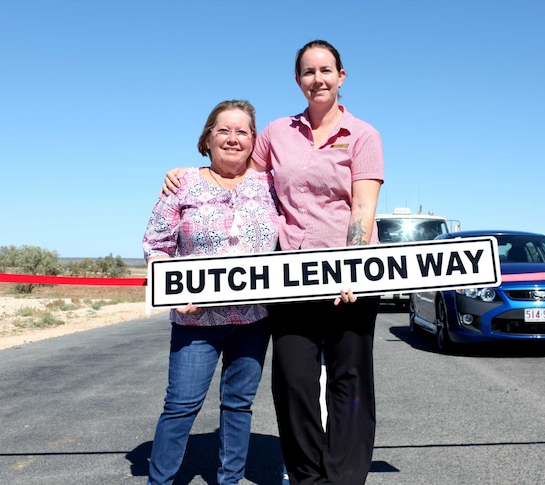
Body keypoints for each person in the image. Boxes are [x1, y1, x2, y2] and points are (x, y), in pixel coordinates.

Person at [162, 40, 384, 485]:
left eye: (325, 70)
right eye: (307, 72)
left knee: (349, 380)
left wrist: (353, 267)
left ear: (342, 76)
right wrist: (188, 173)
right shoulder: (278, 132)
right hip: (289, 278)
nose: (317, 79)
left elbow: (362, 209)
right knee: (293, 382)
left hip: (348, 277)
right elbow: (239, 170)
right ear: (298, 80)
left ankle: (344, 477)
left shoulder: (363, 135)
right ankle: (307, 476)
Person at [143, 99, 279, 485]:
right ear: (207, 138)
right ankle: (160, 481)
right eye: (224, 130)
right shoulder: (182, 183)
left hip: (254, 319)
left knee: (238, 406)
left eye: (243, 131)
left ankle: (230, 479)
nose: (233, 138)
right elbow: (156, 245)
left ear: (254, 140)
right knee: (181, 406)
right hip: (195, 319)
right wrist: (172, 290)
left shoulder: (270, 185)